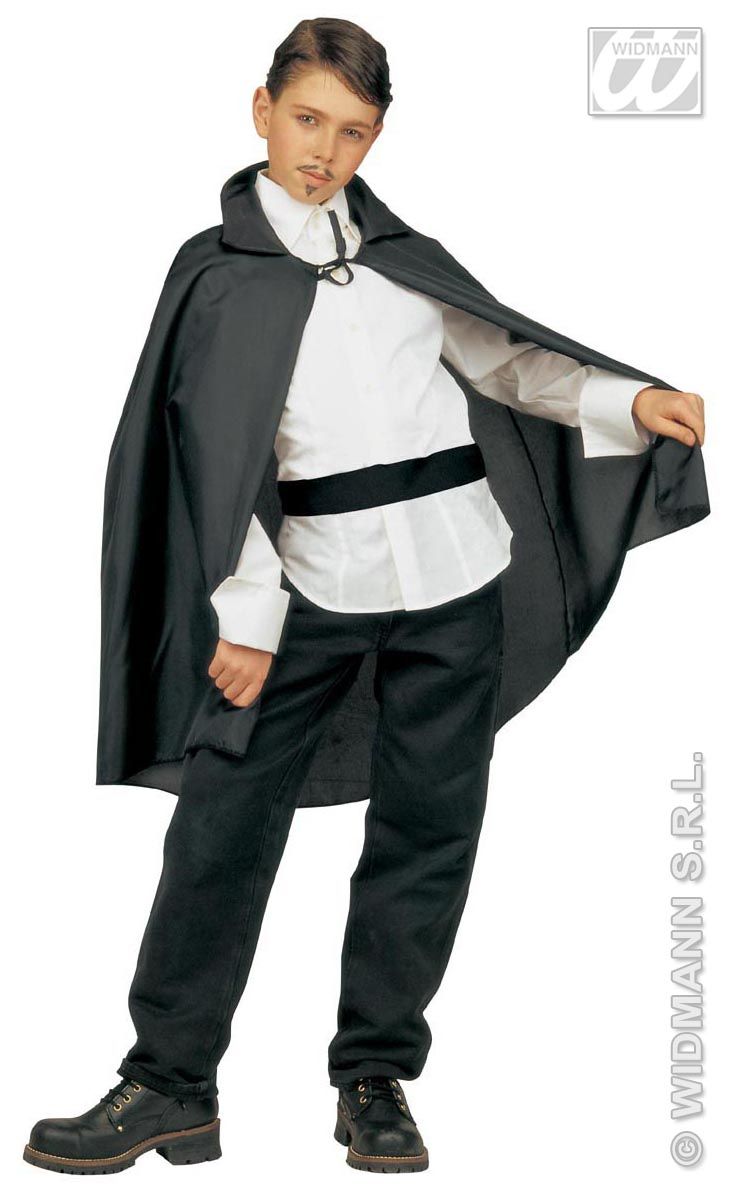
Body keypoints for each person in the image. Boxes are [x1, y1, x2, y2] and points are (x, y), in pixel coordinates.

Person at [23, 16, 707, 1177]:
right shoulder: (218, 276)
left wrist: (623, 401)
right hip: (306, 593)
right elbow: (209, 457)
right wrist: (246, 616)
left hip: (457, 579)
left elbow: (502, 361)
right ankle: (170, 1081)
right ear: (262, 111)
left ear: (376, 136)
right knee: (221, 829)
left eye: (352, 130)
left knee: (429, 830)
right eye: (306, 119)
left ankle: (375, 1076)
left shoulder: (399, 254)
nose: (323, 150)